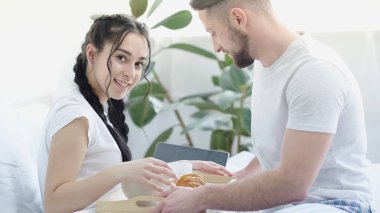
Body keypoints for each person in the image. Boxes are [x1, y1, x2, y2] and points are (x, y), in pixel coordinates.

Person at [153, 0, 373, 212]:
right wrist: (238, 178)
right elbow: (283, 142)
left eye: (213, 32)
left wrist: (202, 198)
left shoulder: (313, 72)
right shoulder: (266, 61)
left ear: (238, 18)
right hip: (284, 203)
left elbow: (292, 185)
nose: (216, 46)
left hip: (333, 204)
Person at [37, 14, 231, 213]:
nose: (131, 73)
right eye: (121, 58)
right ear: (92, 54)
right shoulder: (75, 115)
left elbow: (105, 181)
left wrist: (178, 169)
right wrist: (121, 171)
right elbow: (55, 204)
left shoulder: (95, 109)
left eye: (138, 64)